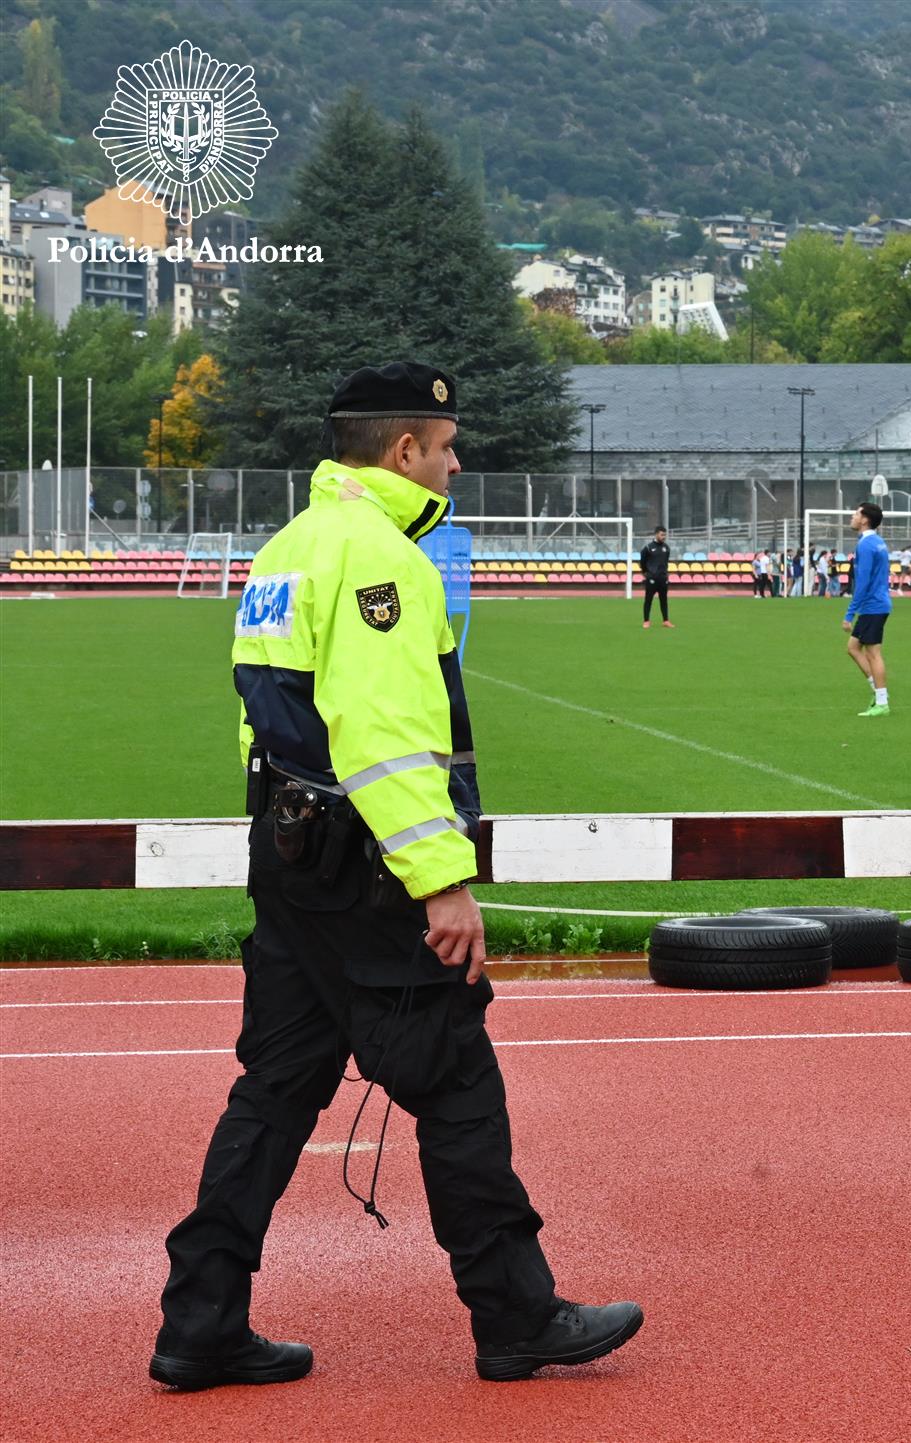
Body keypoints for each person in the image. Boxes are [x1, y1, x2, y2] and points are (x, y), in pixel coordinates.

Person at [153, 362, 642, 1391]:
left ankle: (200, 1320)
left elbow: (267, 720)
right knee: (457, 1078)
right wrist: (440, 880)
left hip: (290, 856)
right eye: (447, 444)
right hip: (366, 868)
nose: (459, 462)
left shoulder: (290, 547)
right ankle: (515, 1316)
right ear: (403, 450)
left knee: (276, 1089)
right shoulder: (383, 559)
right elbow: (382, 739)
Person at [843, 502, 892, 716]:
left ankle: (882, 701)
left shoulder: (865, 545)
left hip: (873, 605)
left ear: (864, 519)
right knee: (853, 647)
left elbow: (862, 582)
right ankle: (879, 692)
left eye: (856, 513)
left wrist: (849, 613)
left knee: (873, 653)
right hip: (879, 602)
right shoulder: (878, 542)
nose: (852, 517)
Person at [641, 525, 672, 627]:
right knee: (648, 600)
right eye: (662, 535)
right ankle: (646, 621)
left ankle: (666, 621)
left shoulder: (666, 548)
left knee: (664, 600)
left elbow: (665, 562)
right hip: (651, 579)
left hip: (663, 579)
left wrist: (665, 574)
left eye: (665, 535)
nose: (664, 537)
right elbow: (642, 562)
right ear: (656, 534)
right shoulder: (648, 547)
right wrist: (646, 573)